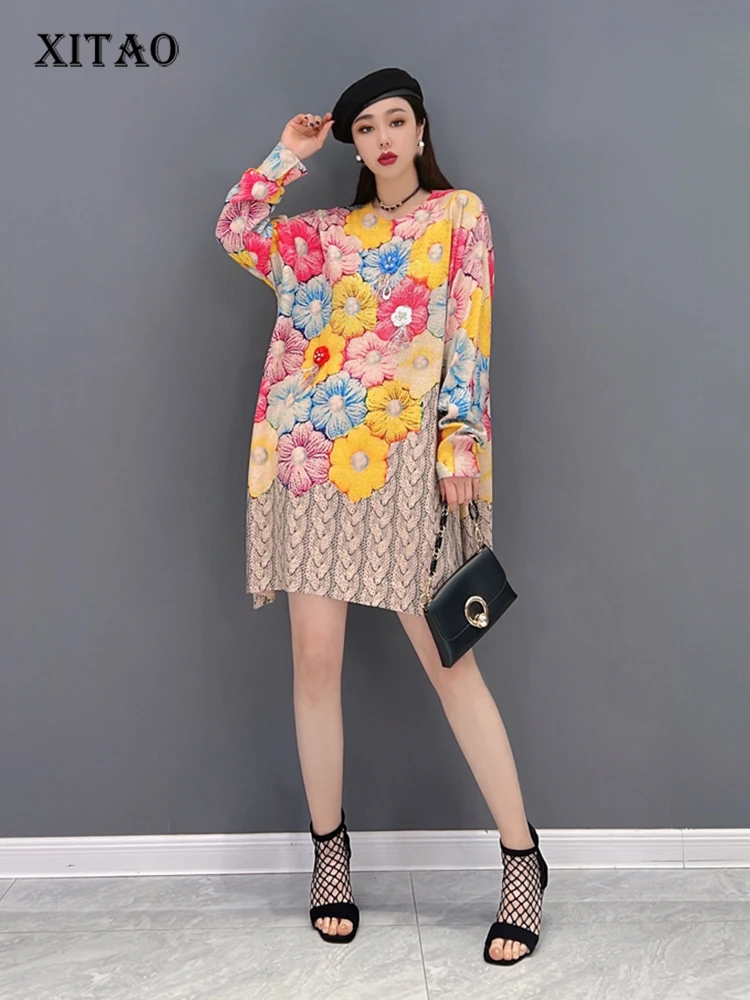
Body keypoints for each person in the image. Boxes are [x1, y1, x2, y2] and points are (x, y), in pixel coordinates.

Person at [215, 67, 548, 966]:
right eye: (365, 128)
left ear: (421, 129)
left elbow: (468, 330)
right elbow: (238, 230)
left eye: (395, 120)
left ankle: (522, 858)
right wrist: (287, 155)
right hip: (310, 461)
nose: (383, 138)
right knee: (315, 662)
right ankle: (330, 853)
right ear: (354, 146)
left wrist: (459, 442)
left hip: (406, 465)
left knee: (450, 663)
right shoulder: (326, 233)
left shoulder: (458, 215)